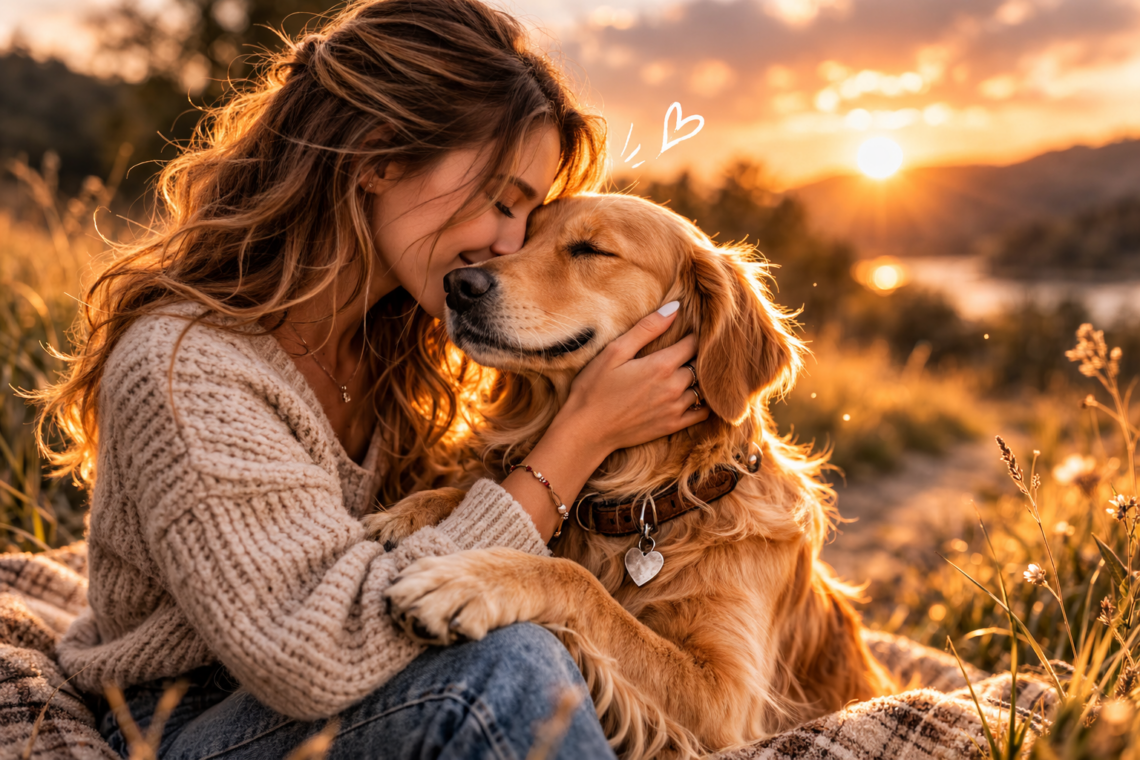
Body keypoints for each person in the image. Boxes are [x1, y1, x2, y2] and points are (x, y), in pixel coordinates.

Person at [37, 0, 708, 757]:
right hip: (183, 721)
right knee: (501, 673)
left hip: (365, 690)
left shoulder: (396, 342)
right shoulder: (185, 367)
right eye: (503, 201)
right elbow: (316, 653)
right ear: (379, 156)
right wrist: (579, 439)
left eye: (531, 215)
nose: (509, 245)